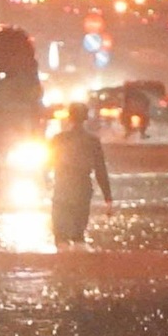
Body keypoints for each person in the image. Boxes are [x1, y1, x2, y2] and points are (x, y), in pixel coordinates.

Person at [51, 102, 113, 248]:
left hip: (62, 188)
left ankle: (60, 266)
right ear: (86, 117)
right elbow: (100, 170)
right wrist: (108, 197)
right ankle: (79, 265)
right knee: (78, 233)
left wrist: (44, 182)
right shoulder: (92, 141)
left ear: (69, 117)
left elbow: (47, 164)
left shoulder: (58, 139)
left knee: (60, 234)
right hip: (83, 189)